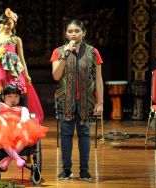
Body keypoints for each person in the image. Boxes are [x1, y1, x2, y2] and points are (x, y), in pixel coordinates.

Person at [0, 8, 44, 132]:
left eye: (9, 23)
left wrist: (26, 74)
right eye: (3, 23)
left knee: (16, 94)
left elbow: (21, 59)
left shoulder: (16, 39)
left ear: (14, 24)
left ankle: (17, 122)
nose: (6, 26)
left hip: (13, 72)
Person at [50, 19, 104, 181]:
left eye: (77, 31)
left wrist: (100, 102)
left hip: (86, 101)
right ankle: (66, 170)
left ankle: (84, 170)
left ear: (84, 32)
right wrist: (65, 55)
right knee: (66, 134)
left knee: (84, 134)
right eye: (70, 31)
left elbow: (99, 79)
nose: (73, 34)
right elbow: (56, 76)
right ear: (66, 34)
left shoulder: (93, 52)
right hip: (65, 99)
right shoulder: (58, 52)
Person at [0, 84, 47, 171]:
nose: (13, 99)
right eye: (9, 96)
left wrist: (20, 123)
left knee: (25, 134)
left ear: (19, 97)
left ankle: (7, 161)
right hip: (3, 127)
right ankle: (17, 159)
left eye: (16, 96)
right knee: (3, 134)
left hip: (18, 129)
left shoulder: (22, 108)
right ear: (3, 97)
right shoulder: (0, 105)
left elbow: (25, 118)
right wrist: (2, 120)